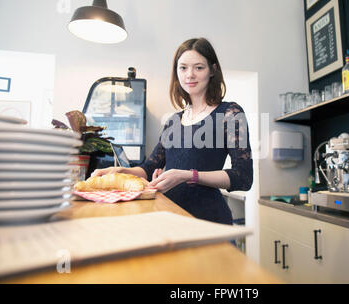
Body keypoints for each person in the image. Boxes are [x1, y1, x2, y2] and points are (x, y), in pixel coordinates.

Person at [92, 37, 253, 225]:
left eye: (199, 67)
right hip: (170, 216)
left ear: (213, 70)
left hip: (208, 219)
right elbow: (147, 169)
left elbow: (243, 177)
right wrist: (120, 170)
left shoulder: (229, 113)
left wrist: (189, 175)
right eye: (183, 68)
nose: (189, 75)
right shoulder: (173, 121)